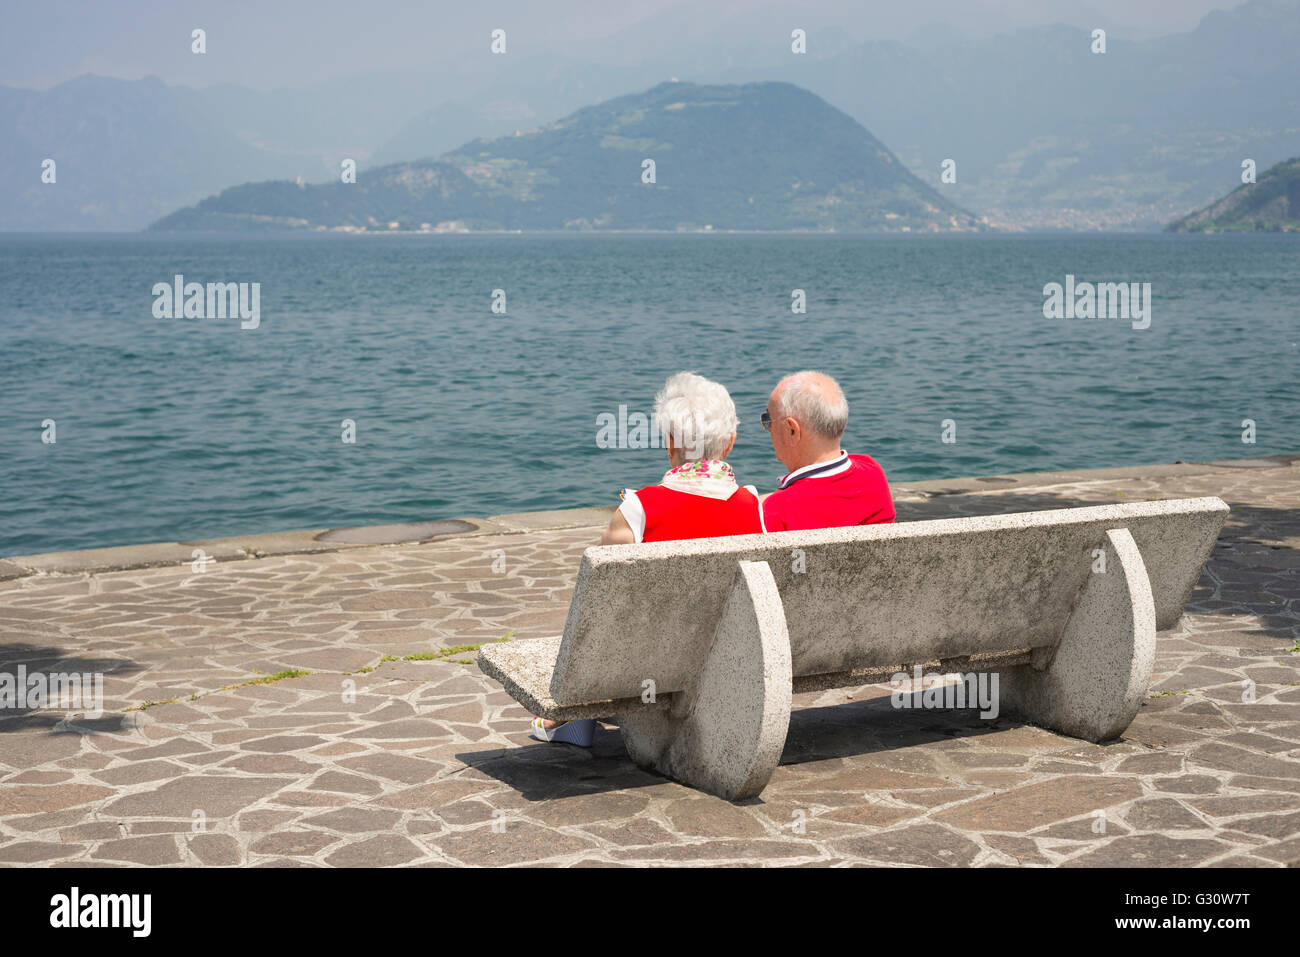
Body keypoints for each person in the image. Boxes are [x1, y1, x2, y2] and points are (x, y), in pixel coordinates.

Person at [532, 371, 761, 747]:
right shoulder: (753, 506)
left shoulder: (640, 509)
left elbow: (596, 589)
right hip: (726, 661)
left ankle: (569, 720)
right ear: (731, 443)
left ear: (670, 443)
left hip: (647, 668)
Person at [759, 370, 895, 531]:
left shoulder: (775, 513)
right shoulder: (872, 473)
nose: (768, 428)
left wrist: (760, 504)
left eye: (768, 420)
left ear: (792, 431)